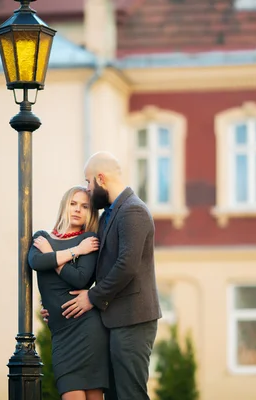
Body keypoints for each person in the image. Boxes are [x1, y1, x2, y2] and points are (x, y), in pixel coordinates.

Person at [42, 151, 162, 400]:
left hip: (133, 320)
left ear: (100, 178)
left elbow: (126, 266)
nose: (87, 188)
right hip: (115, 320)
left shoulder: (133, 211)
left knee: (131, 394)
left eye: (88, 182)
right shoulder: (110, 214)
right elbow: (96, 270)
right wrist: (56, 304)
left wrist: (92, 297)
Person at [28, 185, 109, 400]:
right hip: (61, 335)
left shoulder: (89, 240)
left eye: (84, 206)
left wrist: (55, 255)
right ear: (65, 205)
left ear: (91, 212)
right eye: (73, 204)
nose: (77, 210)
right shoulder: (43, 238)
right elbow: (36, 261)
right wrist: (75, 252)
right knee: (69, 391)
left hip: (87, 328)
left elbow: (80, 278)